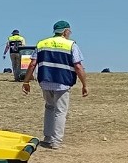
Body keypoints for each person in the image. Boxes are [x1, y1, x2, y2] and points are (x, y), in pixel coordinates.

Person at [22, 21, 88, 149]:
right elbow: (78, 66)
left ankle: (47, 138)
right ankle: (56, 141)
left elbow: (32, 64)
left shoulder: (42, 43)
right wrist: (84, 84)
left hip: (45, 82)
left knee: (49, 108)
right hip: (62, 82)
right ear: (65, 31)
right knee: (60, 111)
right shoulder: (71, 45)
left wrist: (26, 81)